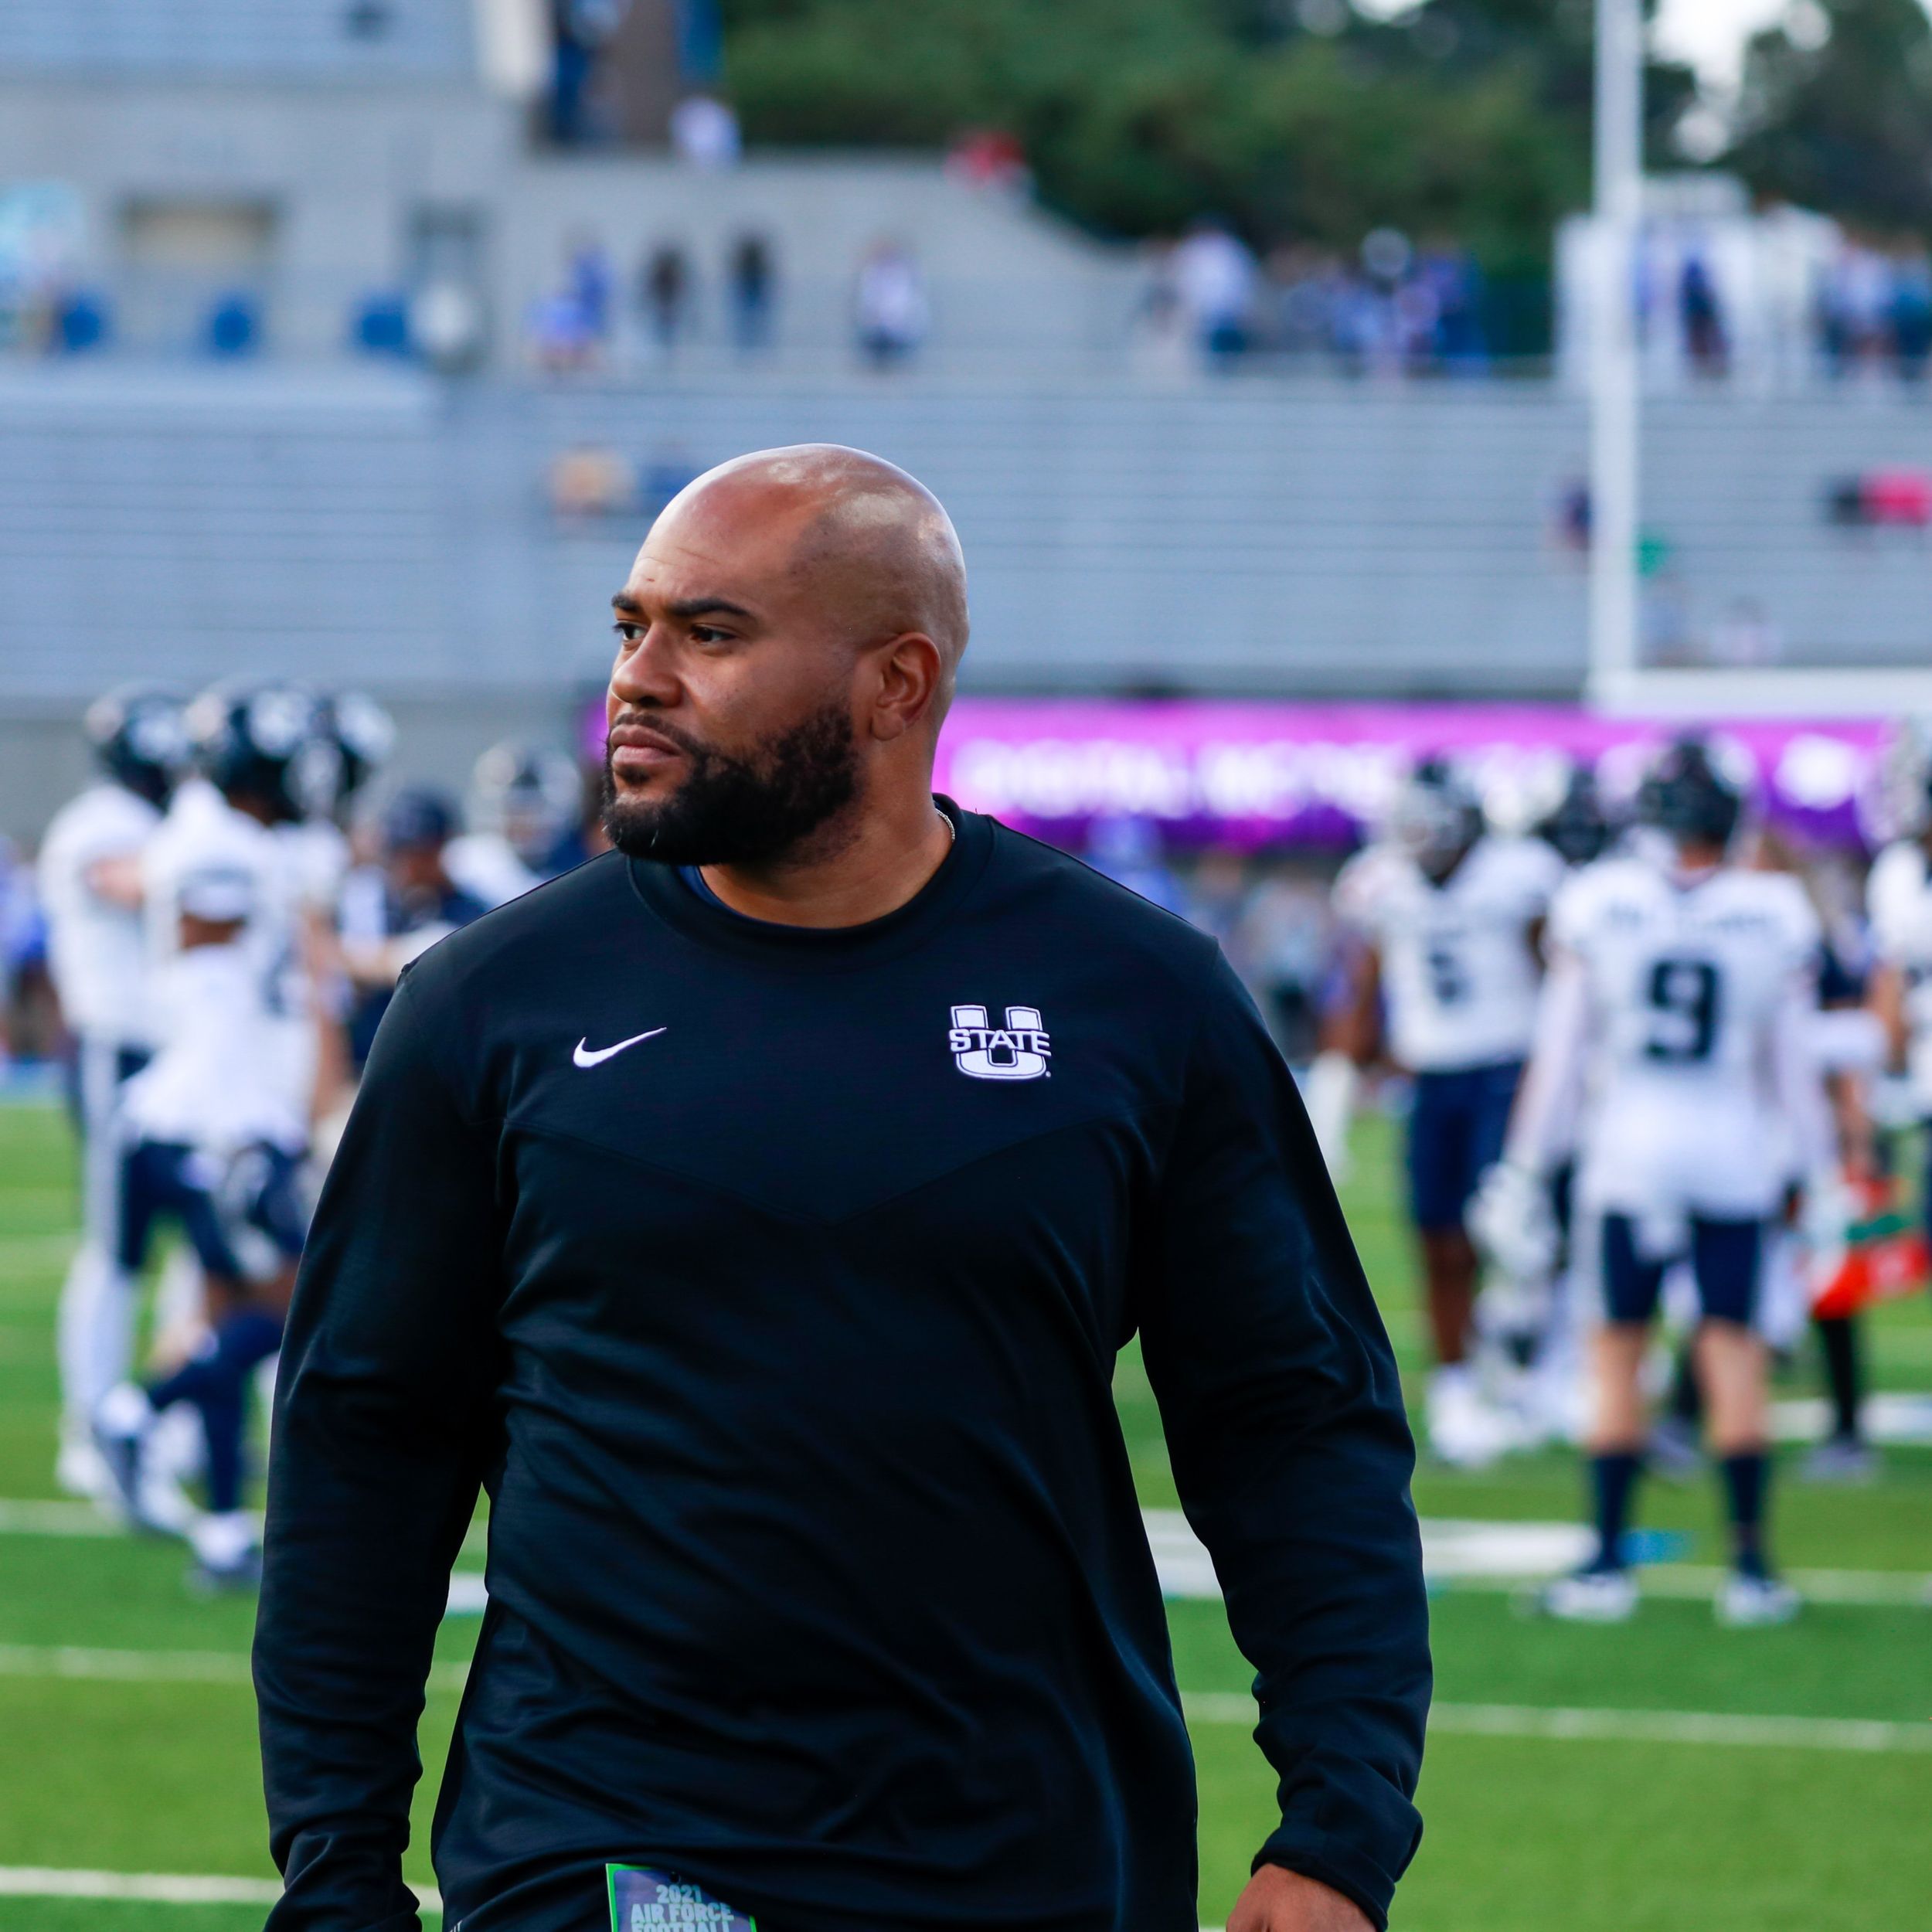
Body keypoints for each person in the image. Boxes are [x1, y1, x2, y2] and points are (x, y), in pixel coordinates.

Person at [256, 444, 1430, 1932]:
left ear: (897, 683)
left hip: (1032, 1849)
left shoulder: (1137, 999)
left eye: (713, 634)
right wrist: (337, 1870)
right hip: (609, 1844)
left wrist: (1338, 1827)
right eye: (633, 628)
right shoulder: (491, 1006)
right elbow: (366, 1441)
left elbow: (1294, 1422)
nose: (640, 678)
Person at [1493, 738, 1832, 1626]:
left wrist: (1527, 1165)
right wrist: (1820, 1170)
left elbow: (1561, 1055)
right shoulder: (1771, 910)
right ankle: (1751, 1568)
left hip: (1628, 1152)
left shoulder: (1601, 902)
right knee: (1732, 1346)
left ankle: (1606, 1564)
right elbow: (1789, 1068)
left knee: (1615, 1347)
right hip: (1729, 1149)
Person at [94, 682, 330, 1590]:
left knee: (240, 1311)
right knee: (290, 1302)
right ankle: (135, 1407)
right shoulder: (214, 848)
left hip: (221, 1111)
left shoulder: (229, 839)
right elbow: (206, 953)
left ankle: (227, 1530)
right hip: (212, 1119)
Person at [1310, 759, 1564, 1465]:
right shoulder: (1381, 884)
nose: (1422, 844)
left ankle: (1525, 1359)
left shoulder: (1520, 874)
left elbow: (1559, 981)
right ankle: (1458, 1391)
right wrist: (1331, 1102)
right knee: (1438, 1241)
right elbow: (1358, 993)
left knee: (1507, 1226)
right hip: (1431, 1076)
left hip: (1511, 1069)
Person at [39, 685, 189, 1500]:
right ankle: (90, 1426)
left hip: (175, 1060)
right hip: (117, 1053)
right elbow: (135, 883)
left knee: (198, 1249)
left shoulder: (160, 825)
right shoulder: (102, 823)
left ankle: (168, 1417)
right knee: (118, 1248)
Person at [445, 740, 591, 906]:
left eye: (533, 810)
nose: (523, 821)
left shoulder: (580, 862)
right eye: (514, 810)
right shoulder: (465, 863)